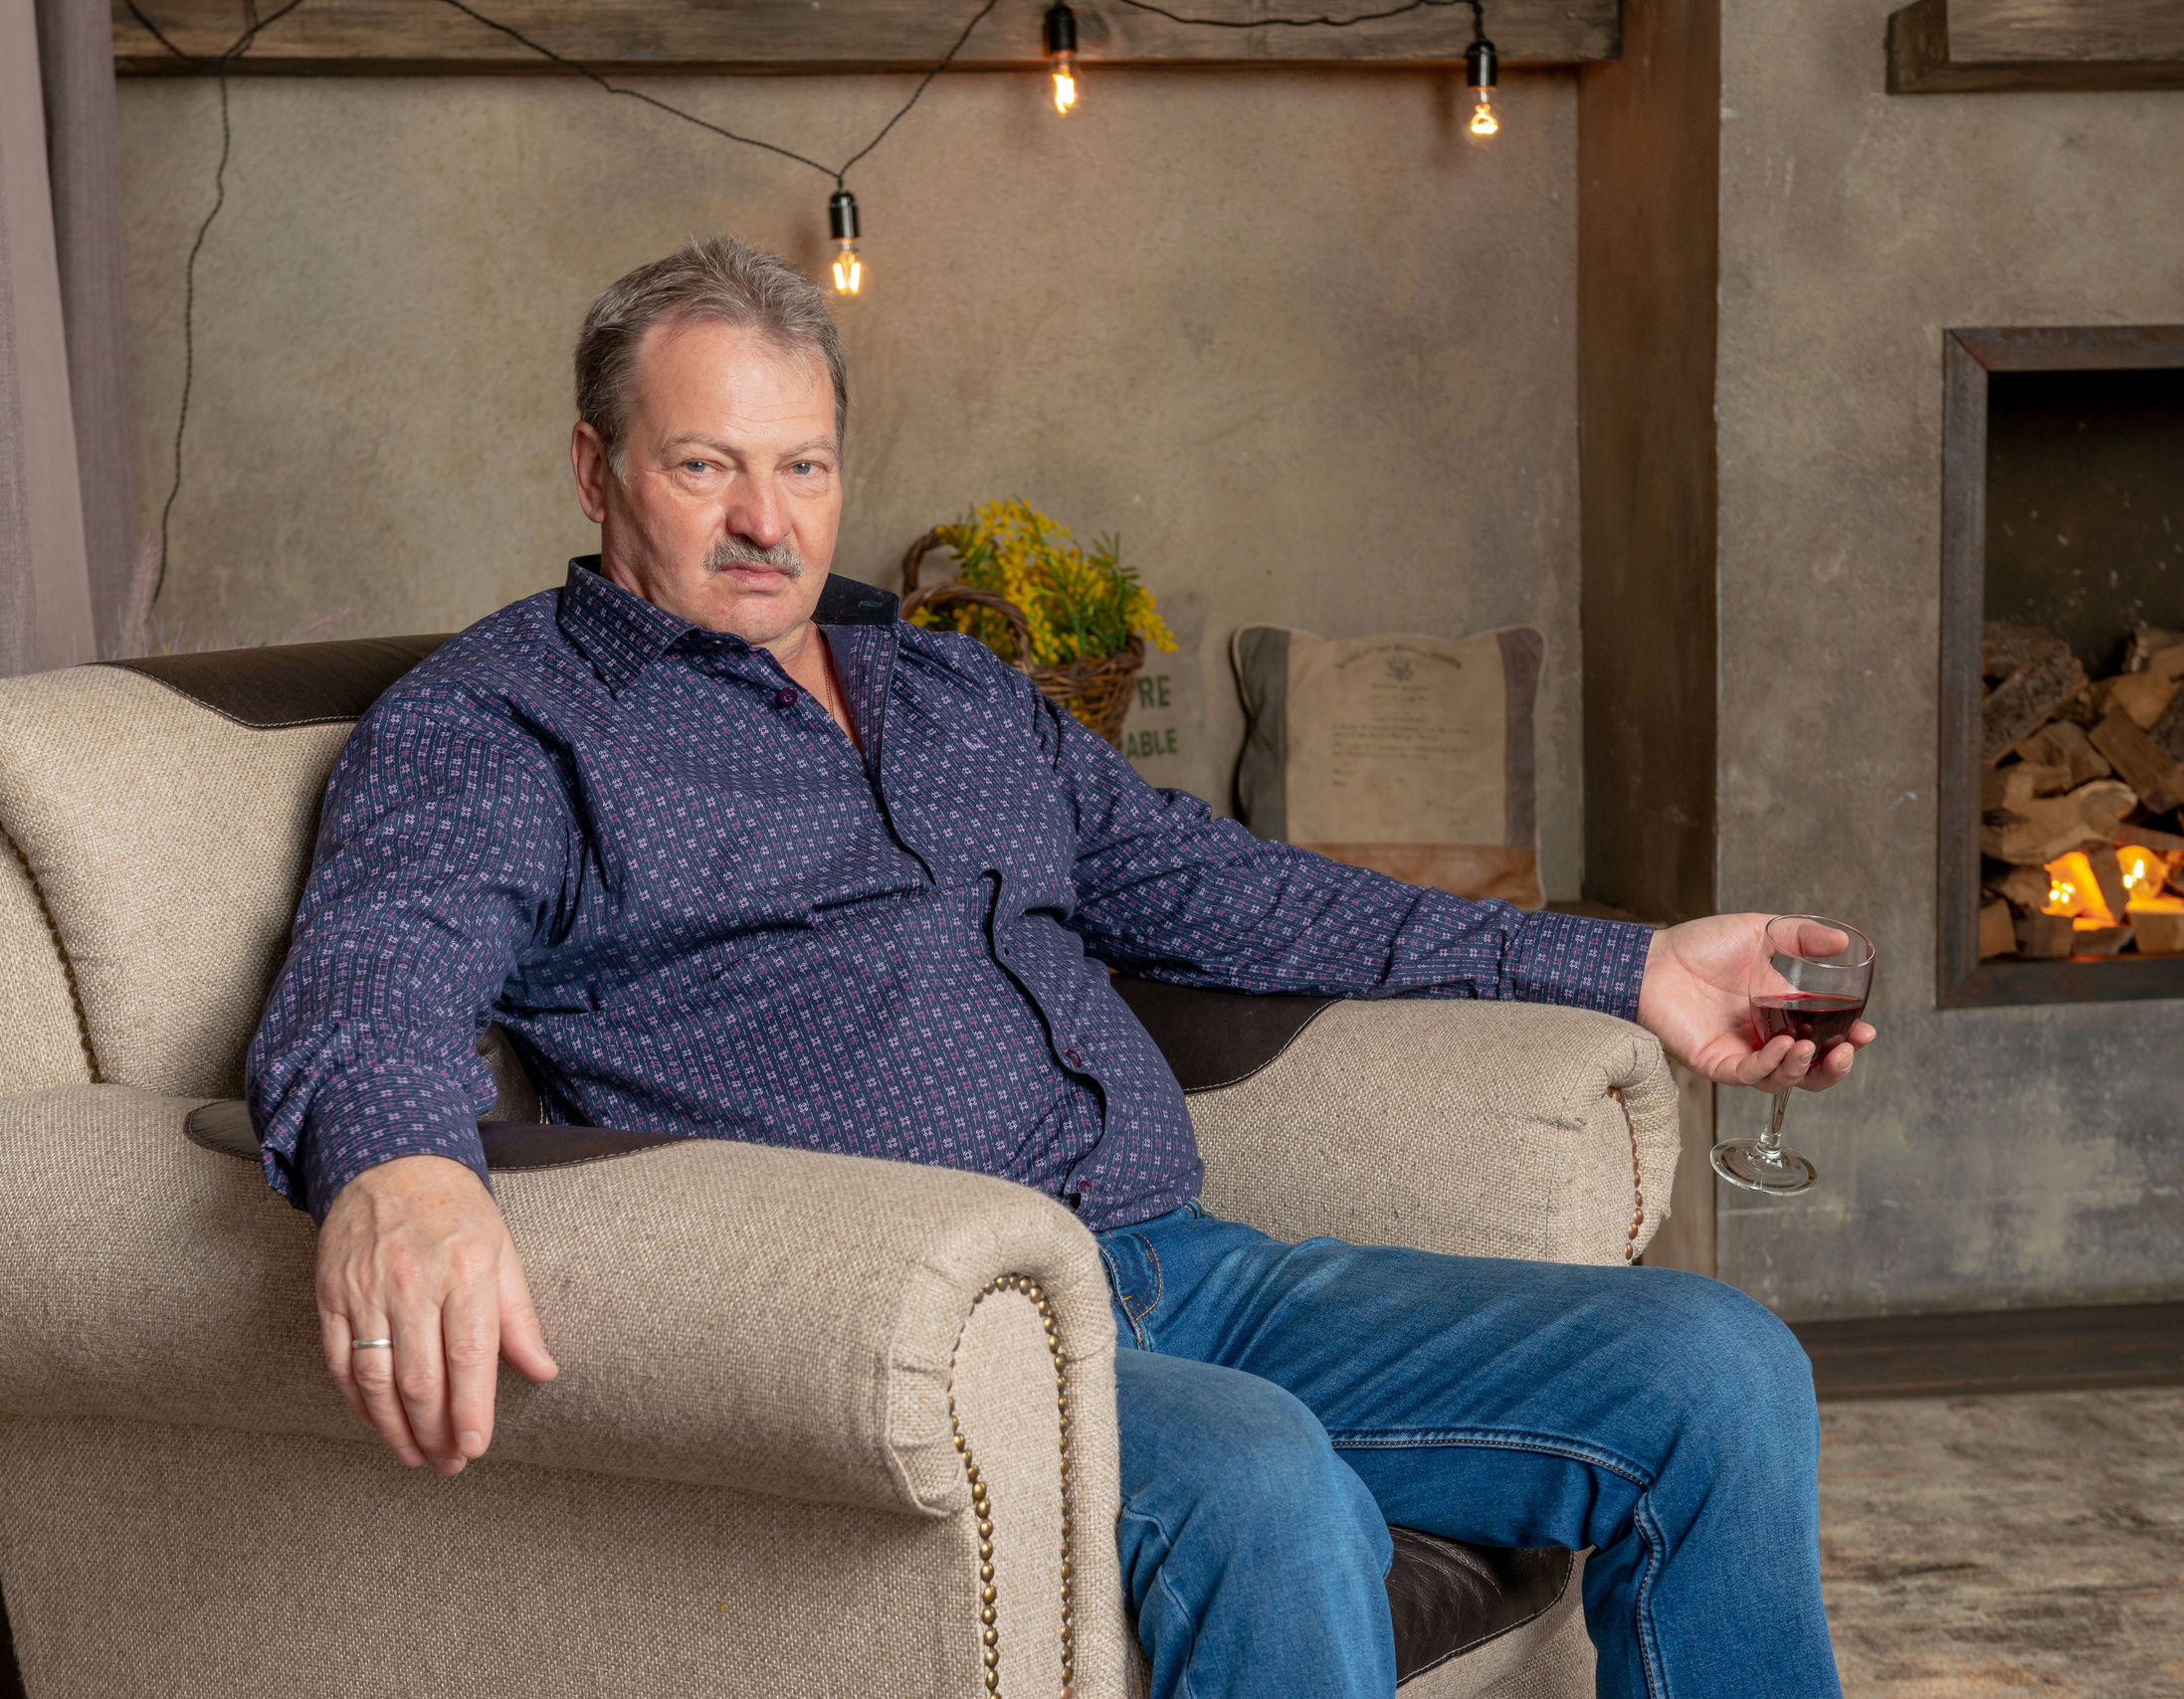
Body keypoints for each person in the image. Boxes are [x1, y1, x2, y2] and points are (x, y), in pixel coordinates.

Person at [248, 236, 1871, 1699]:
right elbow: (382, 957)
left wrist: (1630, 964)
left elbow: (1231, 894)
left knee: (1716, 1370)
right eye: (706, 466)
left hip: (1191, 1270)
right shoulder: (505, 723)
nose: (768, 521)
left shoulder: (953, 691)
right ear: (593, 472)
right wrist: (397, 1159)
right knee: (1259, 1479)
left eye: (804, 465)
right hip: (938, 1325)